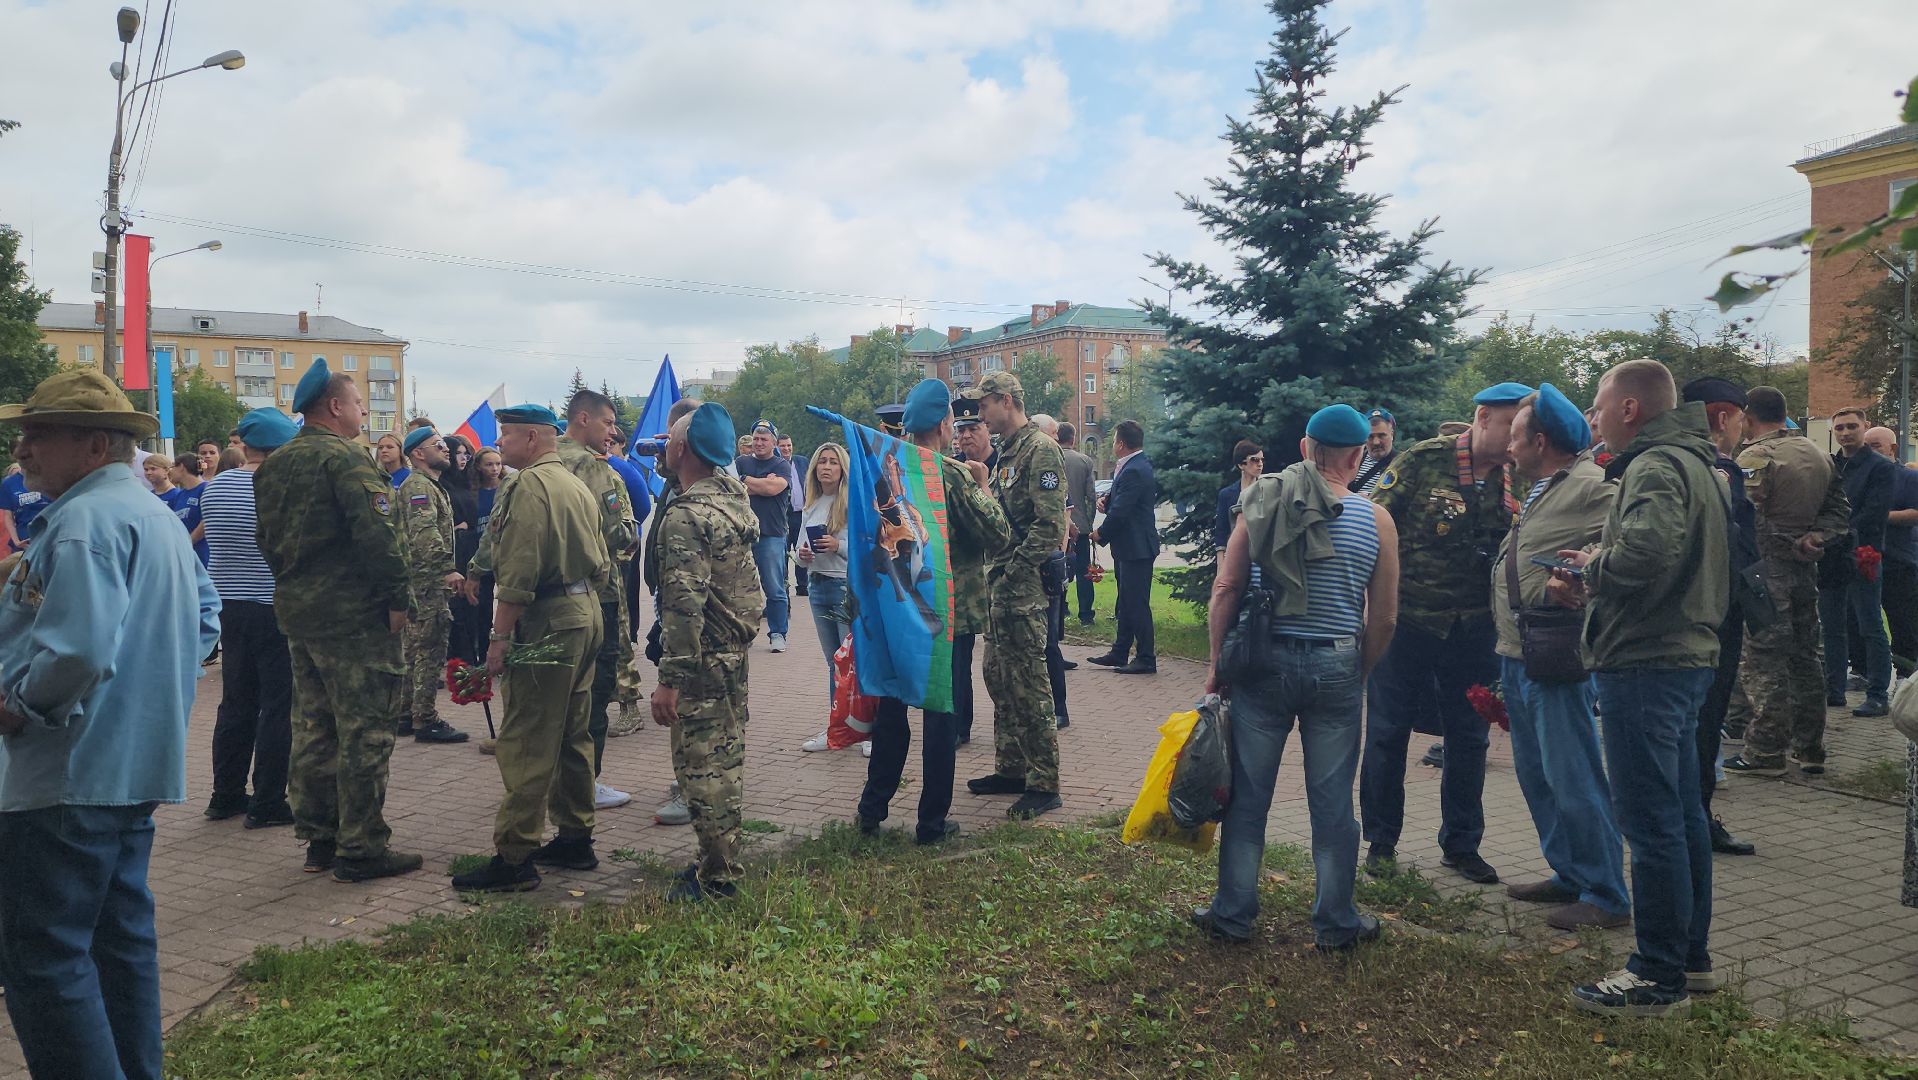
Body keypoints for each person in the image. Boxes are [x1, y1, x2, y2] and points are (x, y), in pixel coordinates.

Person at [0, 369, 221, 1080]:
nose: (22, 449)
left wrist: (20, 706)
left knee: (44, 956)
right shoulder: (152, 514)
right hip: (132, 765)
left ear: (95, 445)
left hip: (67, 772)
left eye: (39, 435)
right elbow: (206, 618)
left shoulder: (83, 521)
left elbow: (79, 651)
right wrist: (152, 686)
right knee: (116, 943)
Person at [1547, 359, 1729, 1018]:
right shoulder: (1697, 462)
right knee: (1680, 818)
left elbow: (1648, 553)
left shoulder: (1653, 466)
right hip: (1682, 656)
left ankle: (1656, 975)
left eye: (1598, 407)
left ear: (1629, 408)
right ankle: (1688, 958)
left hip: (1647, 661)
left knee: (1651, 825)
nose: (1593, 419)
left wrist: (1593, 569)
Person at [1192, 404, 1399, 951]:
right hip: (1337, 665)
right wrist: (1358, 668)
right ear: (1357, 458)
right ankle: (1336, 921)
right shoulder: (1377, 521)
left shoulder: (1259, 503)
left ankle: (1232, 914)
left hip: (1264, 664)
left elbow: (1226, 588)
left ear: (1306, 449)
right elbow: (1384, 618)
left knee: (1248, 798)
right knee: (1332, 804)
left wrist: (1215, 666)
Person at [254, 359, 422, 883]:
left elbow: (267, 542)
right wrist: (399, 599)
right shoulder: (346, 459)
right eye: (357, 403)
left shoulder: (275, 464)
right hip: (356, 619)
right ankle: (362, 846)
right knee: (365, 730)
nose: (363, 412)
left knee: (313, 726)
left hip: (300, 614)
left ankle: (320, 837)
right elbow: (381, 538)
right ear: (333, 407)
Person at [1360, 381, 1529, 885]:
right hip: (1408, 621)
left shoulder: (1518, 474)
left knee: (1470, 738)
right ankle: (1381, 842)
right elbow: (1374, 520)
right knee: (1388, 733)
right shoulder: (1423, 459)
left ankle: (1462, 844)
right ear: (1483, 417)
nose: (1518, 437)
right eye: (1511, 425)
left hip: (1474, 628)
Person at [451, 405, 611, 893]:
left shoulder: (527, 486)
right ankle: (575, 838)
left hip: (547, 620)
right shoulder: (574, 482)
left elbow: (519, 571)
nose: (500, 444)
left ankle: (515, 856)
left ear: (533, 438)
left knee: (527, 736)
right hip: (583, 612)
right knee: (573, 732)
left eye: (507, 435)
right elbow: (604, 560)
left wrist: (499, 638)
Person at [1492, 386, 1630, 930]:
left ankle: (1606, 893)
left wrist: (1585, 569)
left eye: (1516, 436)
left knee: (1573, 776)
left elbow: (1630, 539)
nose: (1508, 447)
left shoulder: (1592, 484)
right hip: (1519, 650)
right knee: (1537, 775)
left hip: (1555, 651)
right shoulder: (1545, 487)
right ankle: (1570, 873)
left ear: (1541, 441)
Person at [860, 379, 1011, 842]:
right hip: (947, 610)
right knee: (941, 716)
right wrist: (983, 486)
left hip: (898, 608)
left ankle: (872, 809)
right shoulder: (951, 474)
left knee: (892, 710)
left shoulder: (888, 467)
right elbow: (998, 534)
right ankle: (932, 822)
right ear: (945, 423)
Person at [650, 403, 765, 902]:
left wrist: (670, 678)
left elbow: (684, 604)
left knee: (703, 768)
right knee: (724, 758)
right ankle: (715, 860)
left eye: (671, 443)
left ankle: (718, 879)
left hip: (703, 657)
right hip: (731, 652)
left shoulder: (686, 516)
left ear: (682, 449)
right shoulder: (730, 498)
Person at [1723, 388, 1849, 777]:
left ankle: (1765, 750)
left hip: (1764, 571)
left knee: (1763, 659)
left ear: (1748, 417)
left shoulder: (1755, 457)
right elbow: (1839, 511)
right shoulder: (1818, 453)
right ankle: (1809, 748)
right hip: (1804, 568)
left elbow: (1744, 517)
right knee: (1805, 656)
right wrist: (1816, 536)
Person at [965, 372, 1068, 819]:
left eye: (984, 404)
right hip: (1001, 586)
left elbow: (1050, 525)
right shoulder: (1008, 450)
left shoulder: (1040, 449)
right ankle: (1011, 768)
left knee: (1029, 684)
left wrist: (1015, 572)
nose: (980, 413)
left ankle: (1044, 782)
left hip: (1021, 588)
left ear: (1006, 401)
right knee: (999, 677)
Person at [202, 407, 301, 830]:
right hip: (271, 604)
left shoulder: (216, 486)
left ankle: (225, 795)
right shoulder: (279, 486)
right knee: (278, 706)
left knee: (236, 700)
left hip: (227, 603)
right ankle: (267, 801)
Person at [1680, 379, 1761, 857]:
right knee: (1704, 723)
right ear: (1723, 418)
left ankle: (1691, 816)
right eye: (1740, 419)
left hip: (1697, 614)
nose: (1742, 429)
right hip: (1716, 616)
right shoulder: (1718, 470)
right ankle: (1696, 820)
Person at [556, 390, 638, 809]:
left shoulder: (540, 463)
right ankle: (586, 783)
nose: (613, 432)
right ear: (583, 419)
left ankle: (554, 779)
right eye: (608, 423)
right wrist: (631, 533)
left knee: (555, 694)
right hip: (595, 595)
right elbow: (617, 533)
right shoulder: (593, 468)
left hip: (547, 598)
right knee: (595, 691)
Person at [640, 396, 705, 826]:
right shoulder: (682, 479)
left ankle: (695, 788)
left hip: (687, 606)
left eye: (672, 437)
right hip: (671, 595)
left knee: (692, 701)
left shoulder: (704, 485)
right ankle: (691, 780)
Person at [1818, 407, 1895, 716]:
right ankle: (1834, 690)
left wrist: (1834, 532)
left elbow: (1875, 513)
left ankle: (1877, 694)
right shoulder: (1829, 465)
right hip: (1832, 555)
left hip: (1864, 553)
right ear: (1833, 432)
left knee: (1870, 625)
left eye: (1851, 426)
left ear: (1865, 427)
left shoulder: (1880, 467)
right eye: (1839, 428)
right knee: (1832, 626)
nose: (1846, 432)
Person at [395, 427, 468, 745]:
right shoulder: (418, 487)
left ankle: (405, 714)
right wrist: (446, 568)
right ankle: (425, 719)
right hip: (426, 583)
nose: (446, 449)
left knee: (414, 651)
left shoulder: (429, 485)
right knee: (429, 651)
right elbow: (424, 531)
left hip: (422, 582)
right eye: (437, 445)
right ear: (418, 453)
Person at [796, 442, 860, 753]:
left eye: (833, 462)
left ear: (842, 468)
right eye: (822, 461)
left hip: (843, 586)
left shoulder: (851, 504)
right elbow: (798, 553)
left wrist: (838, 546)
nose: (827, 467)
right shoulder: (812, 503)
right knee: (833, 662)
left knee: (853, 661)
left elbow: (866, 547)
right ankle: (837, 728)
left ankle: (866, 730)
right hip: (817, 585)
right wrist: (803, 554)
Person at [1088, 419, 1161, 675]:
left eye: (1114, 440)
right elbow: (1123, 501)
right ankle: (1120, 651)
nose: (1112, 444)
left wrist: (1100, 533)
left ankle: (1146, 658)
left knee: (1136, 603)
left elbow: (1123, 511)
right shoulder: (1132, 466)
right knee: (1127, 602)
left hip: (1137, 547)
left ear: (1120, 444)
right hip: (1129, 547)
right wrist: (1105, 502)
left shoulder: (1134, 469)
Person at [603, 429, 654, 733]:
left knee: (618, 633)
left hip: (612, 562)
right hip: (577, 568)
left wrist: (621, 549)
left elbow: (639, 510)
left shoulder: (613, 470)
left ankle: (629, 705)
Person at [735, 420, 796, 653]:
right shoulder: (741, 462)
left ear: (774, 442)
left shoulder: (781, 465)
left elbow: (772, 489)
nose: (759, 443)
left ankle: (778, 633)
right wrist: (759, 483)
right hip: (742, 534)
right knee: (740, 588)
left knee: (774, 587)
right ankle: (744, 632)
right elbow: (732, 488)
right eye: (756, 439)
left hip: (771, 534)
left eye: (764, 439)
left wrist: (745, 481)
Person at [1865, 426, 1918, 680]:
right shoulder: (1858, 476)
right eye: (1866, 446)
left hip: (1898, 560)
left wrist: (1879, 516)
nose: (1869, 451)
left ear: (1893, 448)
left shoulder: (1908, 478)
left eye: (1875, 445)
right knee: (1862, 620)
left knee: (1902, 621)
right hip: (1862, 559)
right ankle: (1862, 670)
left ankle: (1906, 675)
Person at [441, 434, 485, 666]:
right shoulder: (442, 484)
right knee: (457, 604)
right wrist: (456, 526)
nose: (462, 458)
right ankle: (460, 658)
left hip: (471, 549)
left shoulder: (468, 483)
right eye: (457, 453)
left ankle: (472, 656)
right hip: (455, 549)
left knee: (473, 605)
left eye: (466, 454)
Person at [1058, 422, 1098, 625]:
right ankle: (1086, 614)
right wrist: (1089, 524)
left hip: (1058, 525)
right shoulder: (1084, 461)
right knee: (1084, 571)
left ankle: (1061, 609)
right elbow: (1091, 496)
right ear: (1073, 439)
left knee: (1058, 568)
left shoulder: (1051, 458)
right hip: (1081, 526)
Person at [1214, 439, 1265, 552]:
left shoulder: (1268, 490)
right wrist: (1221, 562)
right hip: (1236, 552)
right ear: (1241, 464)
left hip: (1262, 553)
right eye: (1255, 460)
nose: (1260, 464)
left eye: (1262, 460)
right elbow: (1221, 532)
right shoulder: (1226, 494)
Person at [778, 433, 811, 598]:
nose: (786, 448)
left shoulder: (802, 461)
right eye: (783, 446)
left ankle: (803, 586)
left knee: (801, 549)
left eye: (789, 445)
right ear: (777, 447)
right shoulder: (774, 464)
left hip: (801, 514)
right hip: (782, 515)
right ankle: (783, 586)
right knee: (783, 551)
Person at [1, 452, 48, 556]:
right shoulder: (8, 484)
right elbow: (8, 516)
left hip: (50, 536)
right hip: (25, 541)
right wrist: (16, 541)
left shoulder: (49, 476)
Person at [1353, 408, 1397, 494]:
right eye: (1370, 437)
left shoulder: (1402, 464)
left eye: (1381, 436)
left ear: (1392, 435)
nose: (1376, 442)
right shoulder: (1353, 461)